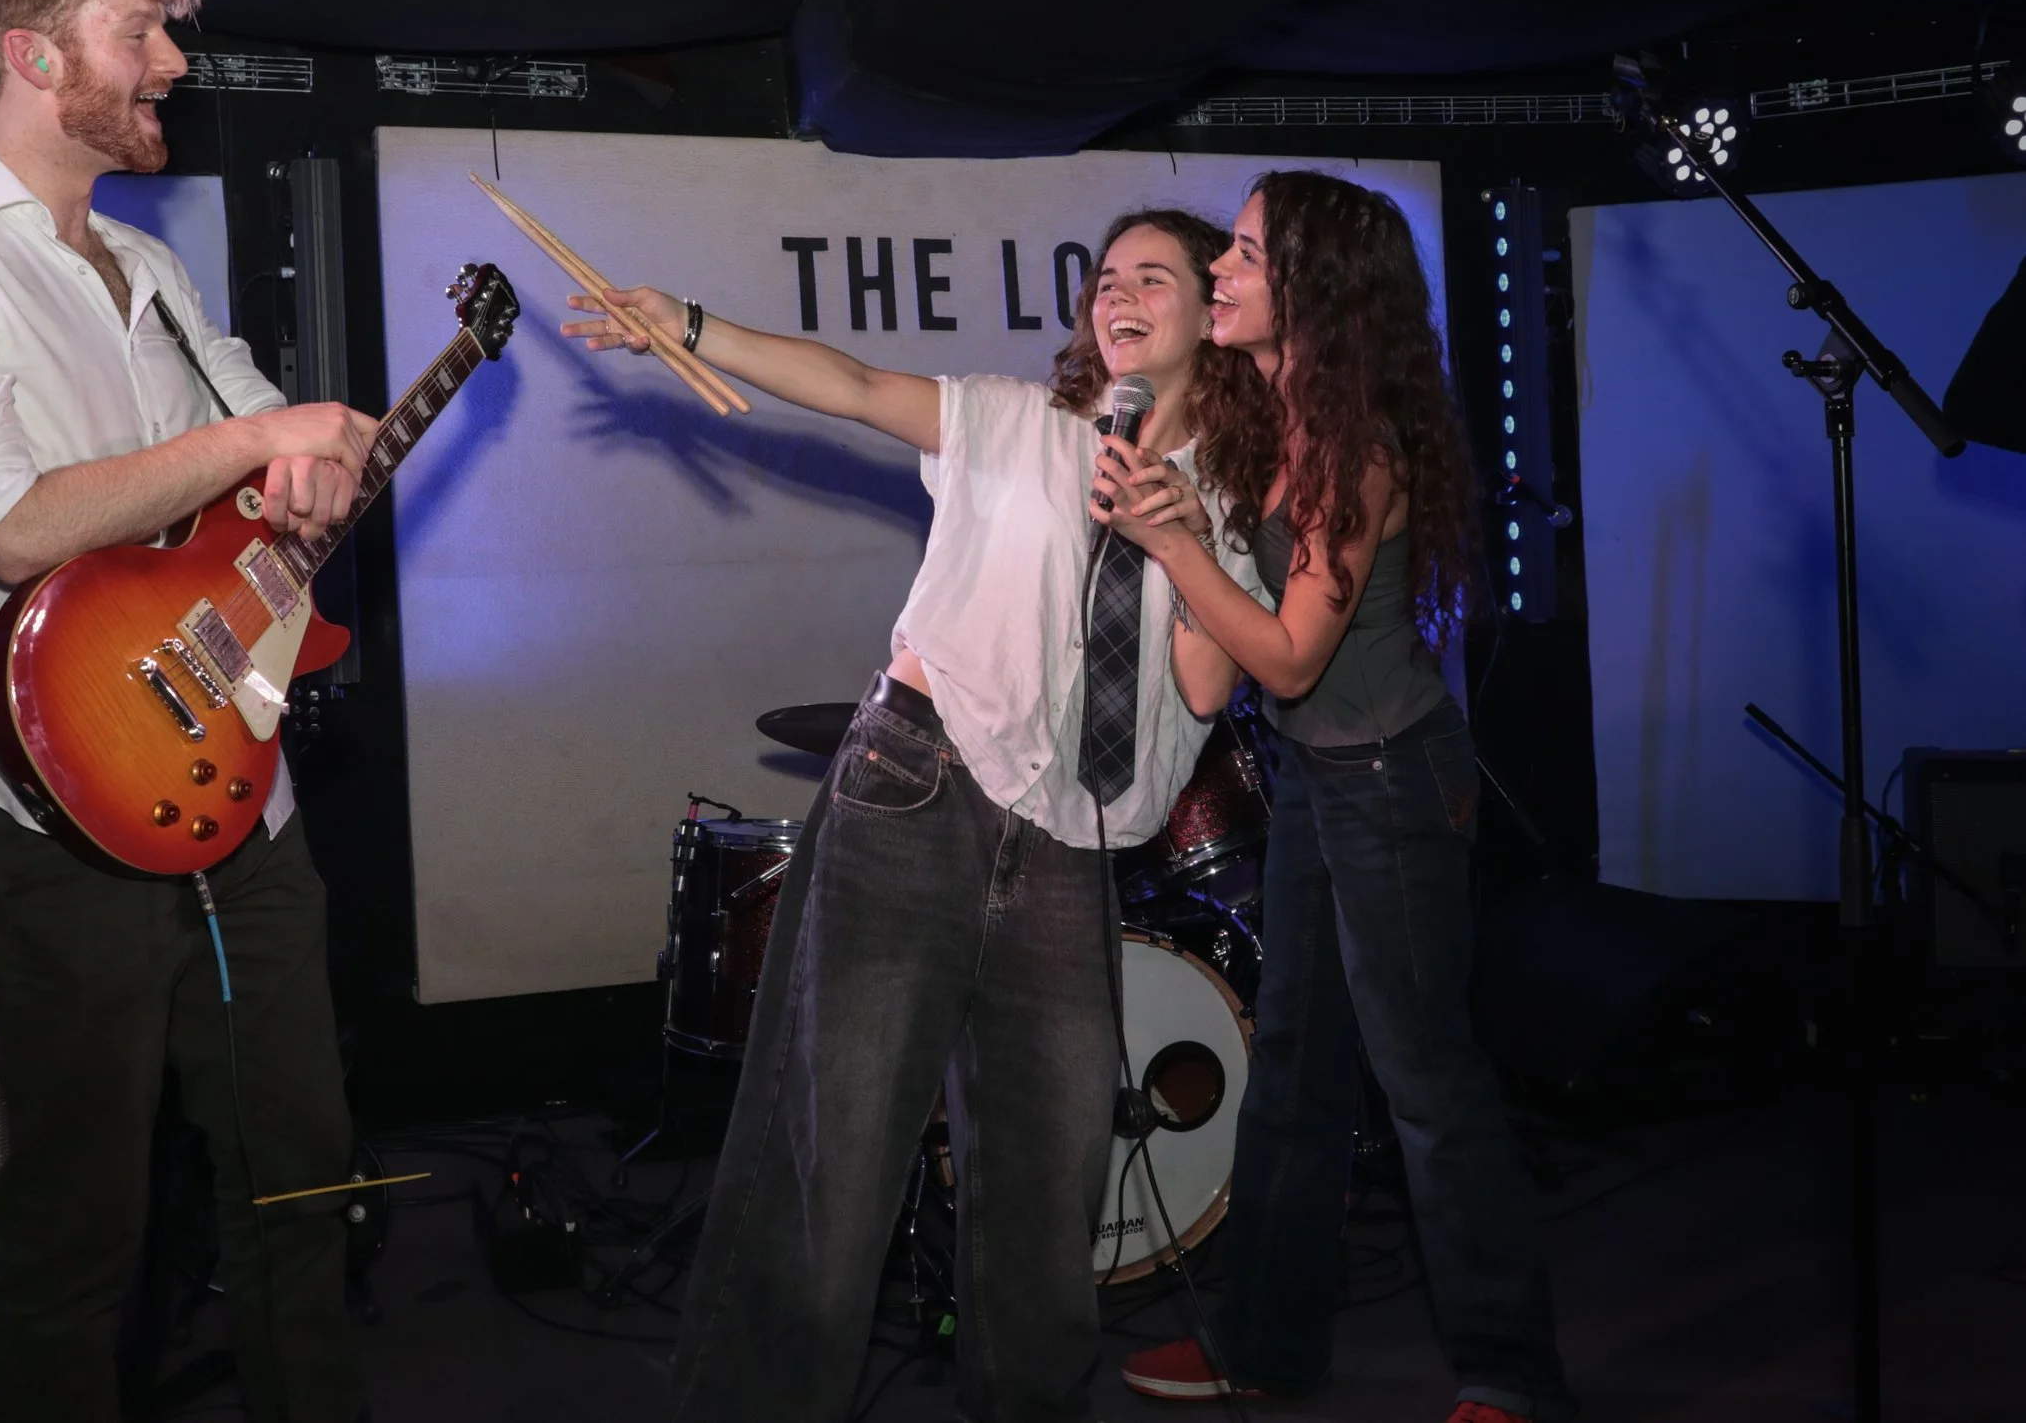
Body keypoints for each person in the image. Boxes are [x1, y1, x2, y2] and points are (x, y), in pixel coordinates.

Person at [561, 209, 1268, 1423]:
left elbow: (1206, 685)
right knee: (832, 1161)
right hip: (920, 787)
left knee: (1050, 1191)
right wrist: (682, 322)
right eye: (1105, 279)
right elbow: (847, 381)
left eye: (1154, 276)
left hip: (1070, 846)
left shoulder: (1237, 497)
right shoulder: (1016, 420)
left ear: (1212, 314)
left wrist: (1180, 533)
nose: (1119, 295)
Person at [0, 0, 374, 1423]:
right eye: (141, 29)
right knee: (83, 1232)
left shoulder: (153, 271)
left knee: (298, 1181)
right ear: (33, 56)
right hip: (48, 805)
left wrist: (315, 472)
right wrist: (265, 432)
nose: (174, 62)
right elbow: (8, 526)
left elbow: (254, 487)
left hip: (233, 791)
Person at [1096, 172, 1570, 1423]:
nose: (1218, 274)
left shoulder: (1351, 442)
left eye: (1244, 253)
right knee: (1297, 1062)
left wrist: (1176, 543)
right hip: (1311, 771)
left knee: (1426, 1079)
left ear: (1311, 284)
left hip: (1389, 778)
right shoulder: (1281, 408)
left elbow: (1292, 654)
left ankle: (1510, 1377)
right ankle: (1266, 1337)